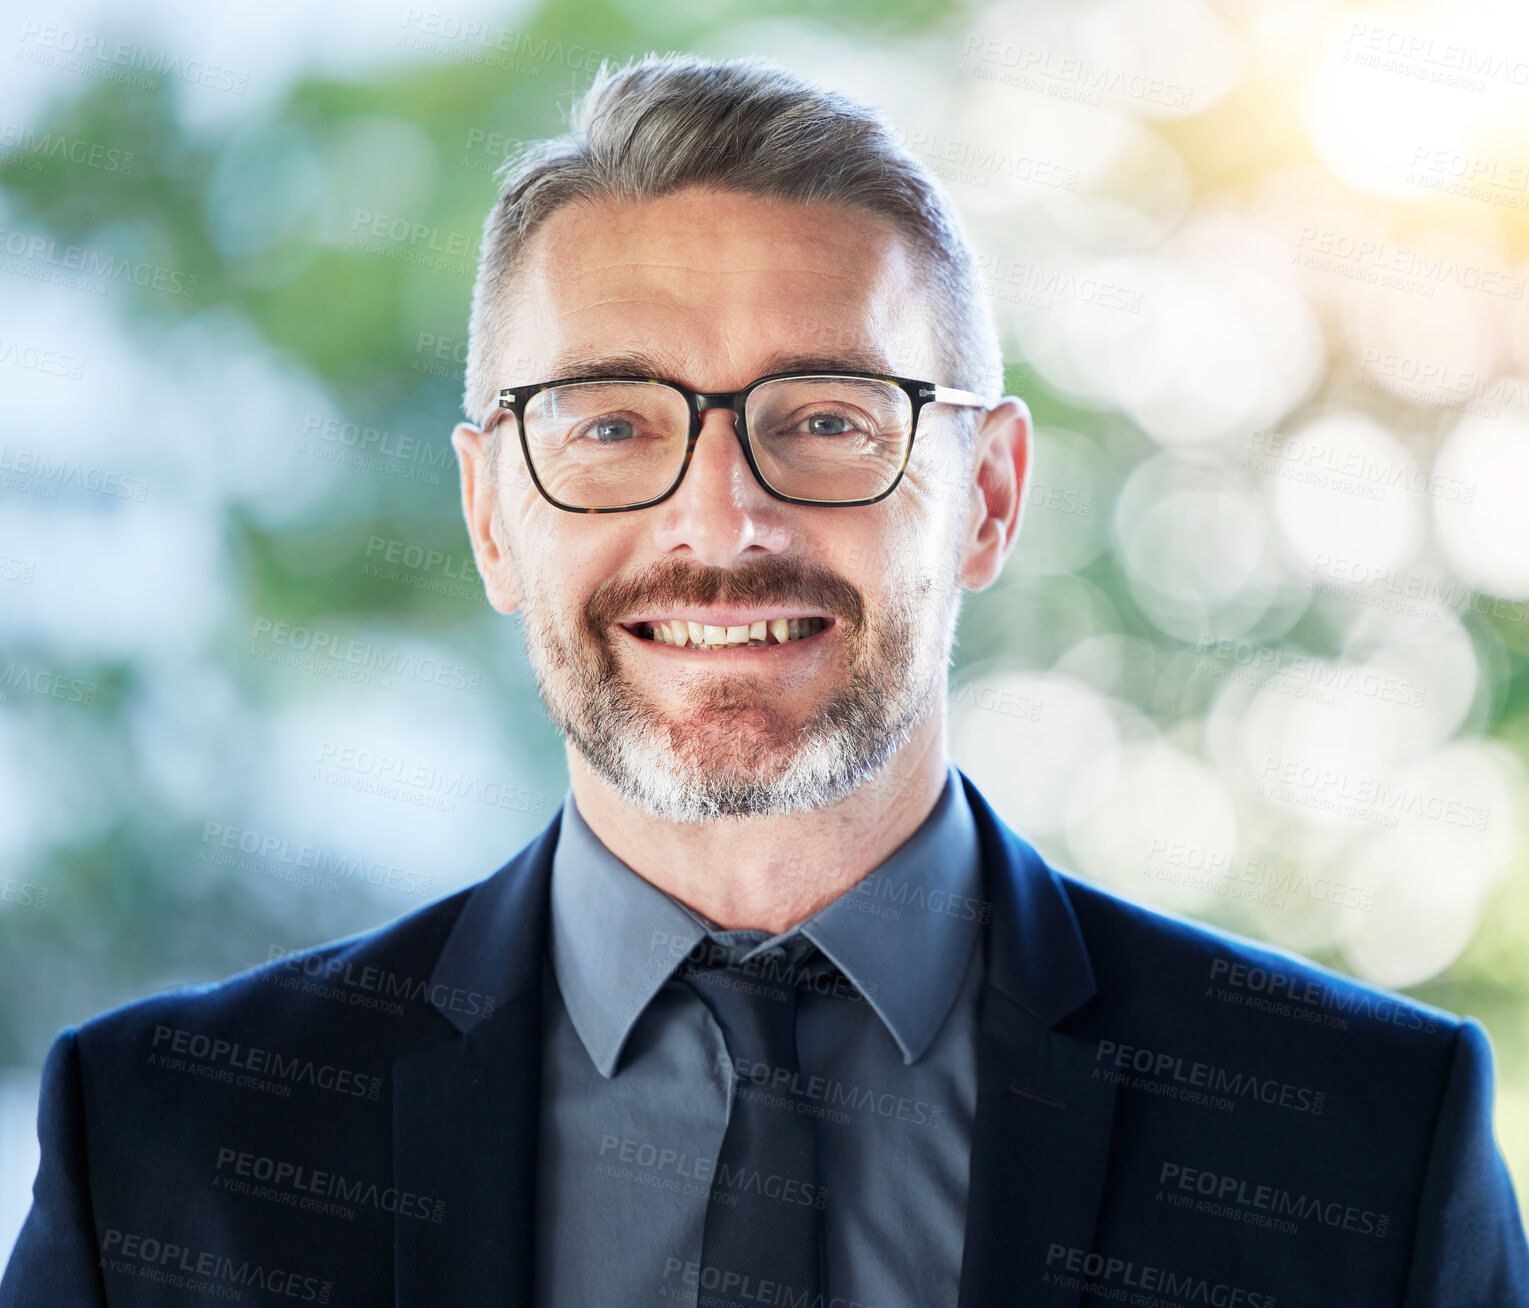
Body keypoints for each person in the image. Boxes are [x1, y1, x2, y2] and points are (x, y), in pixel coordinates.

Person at [3, 50, 1527, 1308]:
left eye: (826, 419)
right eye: (609, 423)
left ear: (987, 494)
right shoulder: (163, 1147)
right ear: (487, 514)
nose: (721, 520)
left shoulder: (1357, 1145)